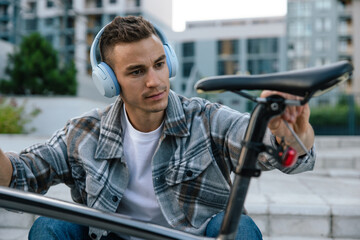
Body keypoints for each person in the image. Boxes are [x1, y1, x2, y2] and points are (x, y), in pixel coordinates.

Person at [0, 16, 315, 240]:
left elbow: (278, 150)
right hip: (111, 238)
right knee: (49, 227)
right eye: (137, 71)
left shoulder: (206, 120)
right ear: (109, 83)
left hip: (187, 238)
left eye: (159, 64)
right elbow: (19, 175)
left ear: (170, 63)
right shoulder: (84, 133)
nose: (155, 81)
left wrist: (290, 129)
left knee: (239, 228)